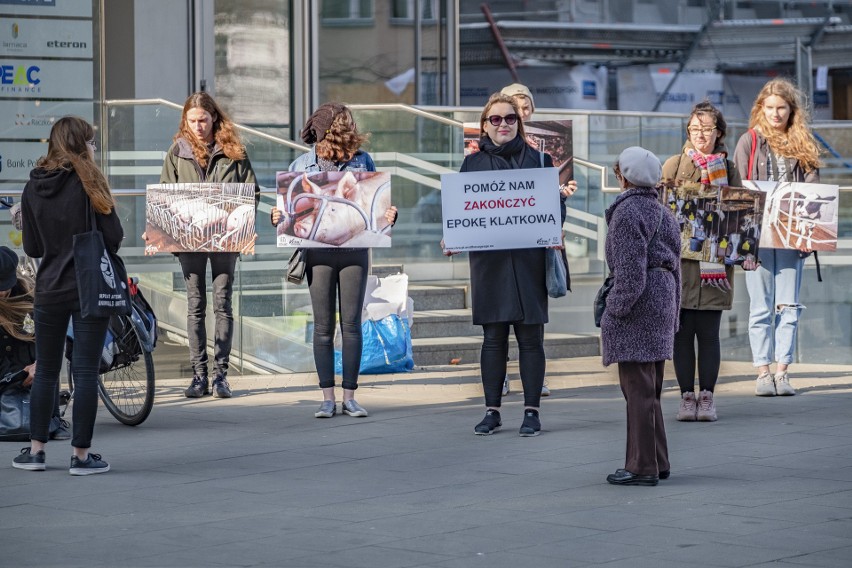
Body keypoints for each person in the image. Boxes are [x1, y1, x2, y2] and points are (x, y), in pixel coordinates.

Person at [444, 92, 562, 437]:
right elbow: (460, 212)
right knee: (492, 339)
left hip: (528, 264)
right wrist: (451, 237)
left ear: (519, 123)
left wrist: (555, 226)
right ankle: (491, 411)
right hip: (490, 265)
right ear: (485, 125)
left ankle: (531, 412)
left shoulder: (540, 161)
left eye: (510, 118)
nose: (503, 124)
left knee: (531, 340)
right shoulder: (473, 164)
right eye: (495, 119)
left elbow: (556, 208)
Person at [271, 103, 397, 419]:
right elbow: (290, 215)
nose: (349, 131)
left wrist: (390, 215)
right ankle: (327, 398)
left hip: (355, 252)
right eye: (343, 126)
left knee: (351, 324)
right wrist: (278, 217)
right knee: (324, 327)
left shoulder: (363, 160)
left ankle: (350, 397)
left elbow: (376, 210)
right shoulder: (302, 164)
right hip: (318, 254)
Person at [14, 116, 124, 474]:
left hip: (48, 288)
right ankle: (80, 457)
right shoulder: (90, 181)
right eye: (91, 141)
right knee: (86, 371)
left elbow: (32, 245)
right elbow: (114, 237)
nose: (94, 147)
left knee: (46, 369)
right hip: (88, 286)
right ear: (81, 144)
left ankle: (35, 452)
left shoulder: (32, 187)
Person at [159, 92, 258, 399]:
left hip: (226, 238)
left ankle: (221, 376)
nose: (198, 126)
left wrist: (240, 220)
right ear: (185, 121)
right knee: (195, 305)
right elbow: (165, 195)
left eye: (203, 119)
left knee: (223, 304)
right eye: (192, 121)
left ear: (214, 117)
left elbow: (252, 192)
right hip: (189, 240)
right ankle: (199, 375)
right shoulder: (177, 152)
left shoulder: (234, 151)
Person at [661, 101, 755, 422]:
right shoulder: (674, 165)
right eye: (695, 129)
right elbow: (661, 210)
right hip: (680, 266)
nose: (701, 135)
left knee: (710, 334)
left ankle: (708, 396)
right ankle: (687, 396)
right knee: (682, 333)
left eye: (708, 129)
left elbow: (741, 217)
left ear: (719, 133)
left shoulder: (728, 170)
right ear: (688, 131)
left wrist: (746, 252)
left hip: (715, 264)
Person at [733, 78, 821, 397]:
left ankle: (782, 371)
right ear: (761, 109)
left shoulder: (803, 142)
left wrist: (808, 233)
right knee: (760, 307)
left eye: (781, 107)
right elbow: (739, 192)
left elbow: (813, 189)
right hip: (756, 236)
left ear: (790, 109)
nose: (775, 113)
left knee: (789, 306)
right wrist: (744, 243)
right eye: (769, 107)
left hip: (790, 235)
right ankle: (762, 371)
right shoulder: (749, 141)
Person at [602, 146, 680, 486]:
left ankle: (641, 466)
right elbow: (675, 264)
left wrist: (613, 310)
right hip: (662, 298)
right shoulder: (663, 211)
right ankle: (657, 460)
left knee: (637, 390)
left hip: (640, 304)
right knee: (650, 389)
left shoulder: (626, 213)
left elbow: (630, 274)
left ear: (622, 176)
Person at [499, 82, 577, 397]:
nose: (523, 112)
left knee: (533, 318)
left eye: (527, 106)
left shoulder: (543, 154)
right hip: (502, 245)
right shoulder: (489, 149)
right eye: (516, 107)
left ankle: (534, 376)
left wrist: (561, 194)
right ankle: (500, 374)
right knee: (500, 317)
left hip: (534, 245)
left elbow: (551, 200)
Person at [0, 247, 69, 441]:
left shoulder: (29, 295)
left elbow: (46, 338)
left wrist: (39, 364)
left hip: (28, 364)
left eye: (5, 285)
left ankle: (53, 419)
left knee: (47, 365)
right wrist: (15, 376)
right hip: (4, 371)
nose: (2, 292)